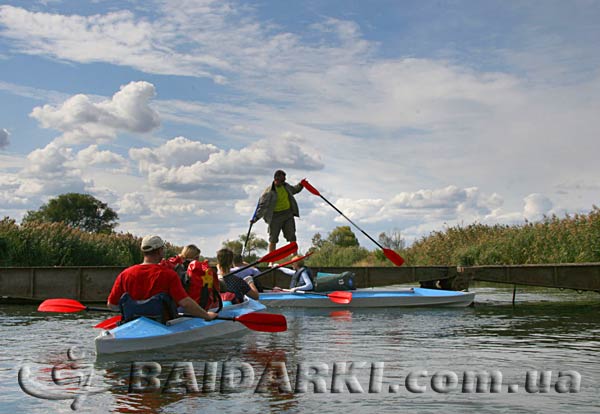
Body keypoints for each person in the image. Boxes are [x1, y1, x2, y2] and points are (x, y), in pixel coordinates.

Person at [107, 235, 217, 322]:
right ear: (160, 251)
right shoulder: (168, 274)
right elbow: (185, 303)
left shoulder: (125, 274)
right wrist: (206, 315)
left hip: (132, 320)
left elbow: (111, 305)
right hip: (162, 323)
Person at [251, 169, 304, 255]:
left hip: (288, 215)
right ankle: (271, 260)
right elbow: (262, 207)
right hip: (275, 217)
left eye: (284, 180)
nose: (284, 182)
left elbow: (294, 190)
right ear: (276, 179)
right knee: (273, 239)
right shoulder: (268, 192)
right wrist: (255, 218)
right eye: (282, 180)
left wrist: (301, 185)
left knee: (292, 237)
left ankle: (295, 258)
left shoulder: (286, 186)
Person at [162, 244, 221, 311]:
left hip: (176, 305)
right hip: (190, 305)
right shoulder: (195, 270)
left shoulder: (173, 266)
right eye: (197, 257)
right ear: (194, 257)